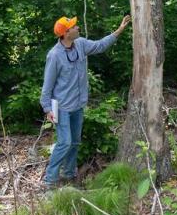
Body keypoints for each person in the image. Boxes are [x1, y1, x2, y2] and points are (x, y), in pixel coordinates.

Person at [40, 15, 131, 188]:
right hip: (62, 107)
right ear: (66, 33)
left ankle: (69, 175)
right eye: (73, 27)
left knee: (74, 142)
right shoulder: (54, 55)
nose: (77, 28)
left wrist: (119, 30)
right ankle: (50, 180)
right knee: (64, 142)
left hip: (78, 105)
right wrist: (47, 108)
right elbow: (47, 85)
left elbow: (100, 45)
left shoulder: (80, 44)